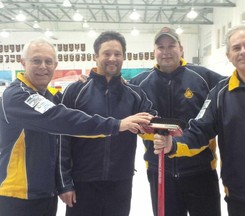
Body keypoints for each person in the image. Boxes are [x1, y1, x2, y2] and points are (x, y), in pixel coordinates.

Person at [0, 38, 153, 216]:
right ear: (23, 63)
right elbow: (63, 119)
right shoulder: (17, 96)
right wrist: (117, 124)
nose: (43, 66)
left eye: (48, 61)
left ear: (55, 65)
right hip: (17, 195)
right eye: (36, 60)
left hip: (46, 192)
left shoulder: (50, 97)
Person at [154, 24, 245, 216]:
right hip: (241, 192)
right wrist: (173, 144)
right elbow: (199, 129)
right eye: (236, 48)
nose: (243, 51)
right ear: (228, 56)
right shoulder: (219, 94)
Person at [57, 31, 157, 216]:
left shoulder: (134, 94)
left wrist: (167, 131)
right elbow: (62, 138)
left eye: (117, 54)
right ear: (96, 56)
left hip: (120, 182)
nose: (112, 58)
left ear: (123, 57)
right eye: (106, 53)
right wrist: (64, 182)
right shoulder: (76, 91)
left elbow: (152, 120)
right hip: (82, 181)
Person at [129, 26, 223, 216]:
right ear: (154, 51)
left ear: (181, 50)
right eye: (161, 47)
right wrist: (89, 80)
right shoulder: (139, 83)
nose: (166, 51)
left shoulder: (204, 77)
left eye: (171, 45)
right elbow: (114, 94)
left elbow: (241, 85)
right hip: (160, 171)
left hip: (200, 171)